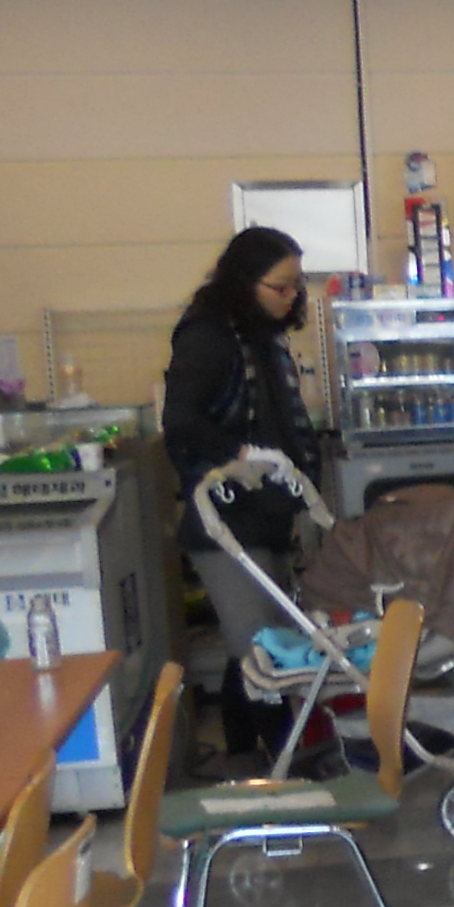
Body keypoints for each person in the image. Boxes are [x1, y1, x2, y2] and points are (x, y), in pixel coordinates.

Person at [161, 226, 322, 756]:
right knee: (260, 648)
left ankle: (243, 759)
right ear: (243, 281)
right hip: (224, 516)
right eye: (281, 287)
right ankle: (286, 760)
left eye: (297, 286)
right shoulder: (207, 337)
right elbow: (180, 420)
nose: (291, 297)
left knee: (256, 640)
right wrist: (241, 453)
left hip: (267, 513)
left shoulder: (262, 337)